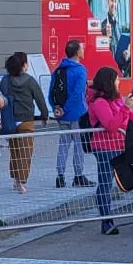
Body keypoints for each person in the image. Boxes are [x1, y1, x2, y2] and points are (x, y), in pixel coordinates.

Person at [86, 66, 133, 236]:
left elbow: (130, 117)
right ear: (109, 82)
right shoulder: (99, 102)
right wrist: (126, 108)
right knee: (105, 183)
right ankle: (106, 220)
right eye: (116, 79)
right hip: (105, 147)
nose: (119, 82)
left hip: (121, 144)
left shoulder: (115, 99)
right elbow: (111, 125)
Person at [0, 52, 49, 194]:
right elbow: (39, 99)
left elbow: (2, 96)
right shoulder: (30, 81)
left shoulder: (5, 80)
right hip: (26, 120)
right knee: (25, 152)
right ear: (23, 66)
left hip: (10, 119)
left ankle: (15, 178)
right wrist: (44, 115)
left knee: (14, 150)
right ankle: (22, 181)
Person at [49, 40, 91, 187]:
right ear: (77, 52)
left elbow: (51, 91)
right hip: (77, 113)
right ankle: (78, 176)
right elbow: (77, 93)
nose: (84, 50)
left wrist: (57, 108)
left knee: (63, 144)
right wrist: (66, 108)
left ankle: (60, 176)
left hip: (61, 114)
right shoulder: (80, 70)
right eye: (82, 48)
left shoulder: (59, 69)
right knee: (79, 145)